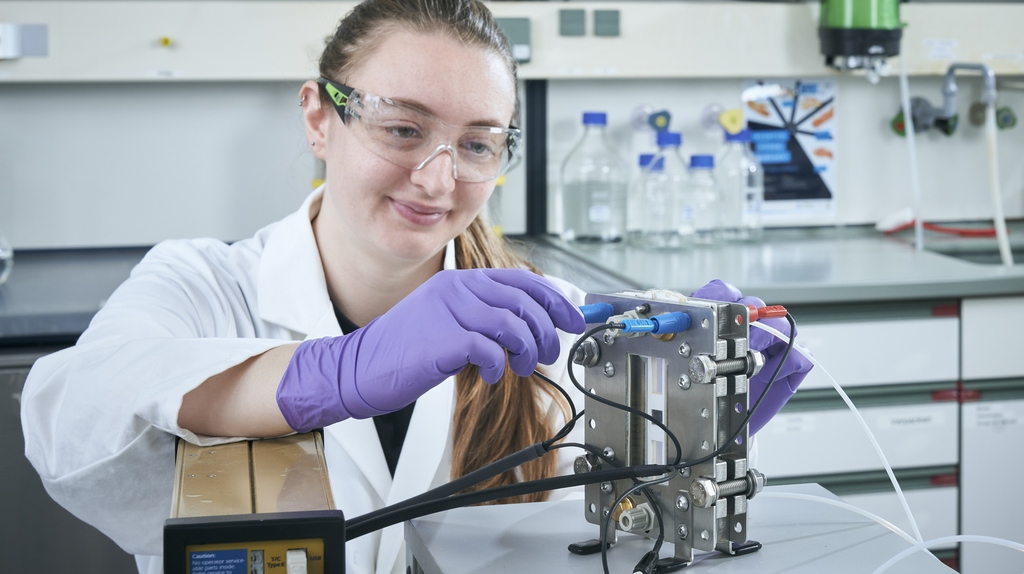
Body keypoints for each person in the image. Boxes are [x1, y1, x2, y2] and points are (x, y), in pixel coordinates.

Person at [20, 1, 811, 573]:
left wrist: (687, 429)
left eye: (478, 144)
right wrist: (335, 373)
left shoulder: (540, 317)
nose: (439, 179)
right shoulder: (205, 285)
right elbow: (67, 414)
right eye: (402, 128)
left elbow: (606, 538)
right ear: (318, 117)